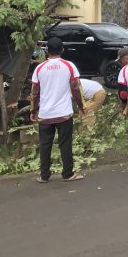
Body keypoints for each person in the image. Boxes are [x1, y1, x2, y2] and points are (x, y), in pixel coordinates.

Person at [31, 36, 85, 183]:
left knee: (45, 144)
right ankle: (68, 174)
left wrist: (33, 111)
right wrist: (82, 107)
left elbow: (35, 92)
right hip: (64, 114)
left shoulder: (39, 68)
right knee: (65, 143)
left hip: (45, 114)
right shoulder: (69, 66)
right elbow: (76, 89)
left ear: (47, 51)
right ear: (62, 50)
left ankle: (44, 175)